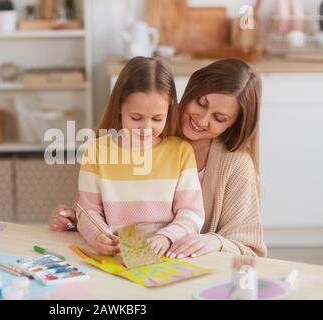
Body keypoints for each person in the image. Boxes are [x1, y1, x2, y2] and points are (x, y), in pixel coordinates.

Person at [50, 58, 267, 258]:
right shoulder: (142, 133)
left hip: (186, 270)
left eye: (219, 118)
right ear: (192, 90)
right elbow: (96, 209)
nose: (202, 119)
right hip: (126, 260)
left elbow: (250, 250)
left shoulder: (235, 165)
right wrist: (73, 220)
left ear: (232, 125)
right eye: (201, 103)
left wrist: (215, 241)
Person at [75, 56, 204, 256]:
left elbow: (192, 214)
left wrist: (166, 236)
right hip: (116, 253)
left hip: (167, 252)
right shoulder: (96, 151)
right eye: (136, 118)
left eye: (157, 119)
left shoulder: (181, 151)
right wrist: (98, 235)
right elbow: (86, 211)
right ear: (119, 107)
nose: (146, 128)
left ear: (169, 110)